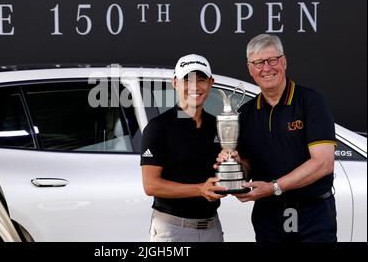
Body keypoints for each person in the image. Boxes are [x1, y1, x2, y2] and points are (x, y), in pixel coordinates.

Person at [217, 34, 337, 242]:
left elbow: (323, 163)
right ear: (250, 69)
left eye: (272, 60)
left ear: (284, 62)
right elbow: (246, 165)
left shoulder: (311, 101)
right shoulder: (246, 113)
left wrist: (273, 187)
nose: (266, 68)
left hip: (312, 215)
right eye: (259, 63)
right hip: (268, 216)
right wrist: (235, 167)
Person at [141, 54, 227, 242]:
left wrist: (233, 168)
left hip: (212, 228)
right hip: (173, 230)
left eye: (201, 79)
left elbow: (235, 167)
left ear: (211, 83)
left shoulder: (218, 125)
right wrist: (200, 190)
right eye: (187, 79)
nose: (195, 87)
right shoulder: (158, 127)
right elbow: (150, 185)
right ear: (175, 83)